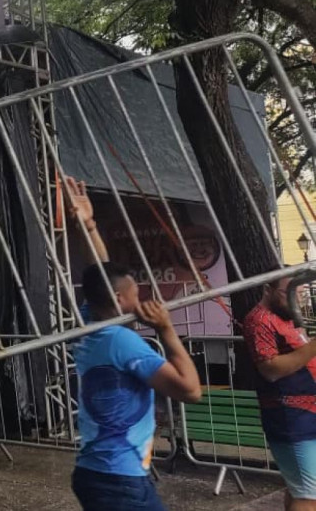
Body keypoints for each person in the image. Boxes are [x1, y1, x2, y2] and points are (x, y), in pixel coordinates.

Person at [65, 176, 203, 510]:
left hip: (96, 471)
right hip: (120, 478)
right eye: (135, 292)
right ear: (117, 298)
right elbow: (190, 390)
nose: (140, 295)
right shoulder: (122, 341)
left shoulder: (91, 324)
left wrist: (89, 224)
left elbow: (99, 271)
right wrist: (166, 330)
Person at [243, 276, 316, 510]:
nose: (294, 300)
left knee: (300, 487)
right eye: (289, 293)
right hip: (290, 416)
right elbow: (270, 369)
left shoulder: (287, 318)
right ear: (268, 289)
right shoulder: (260, 320)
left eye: (298, 293)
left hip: (305, 413)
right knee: (308, 493)